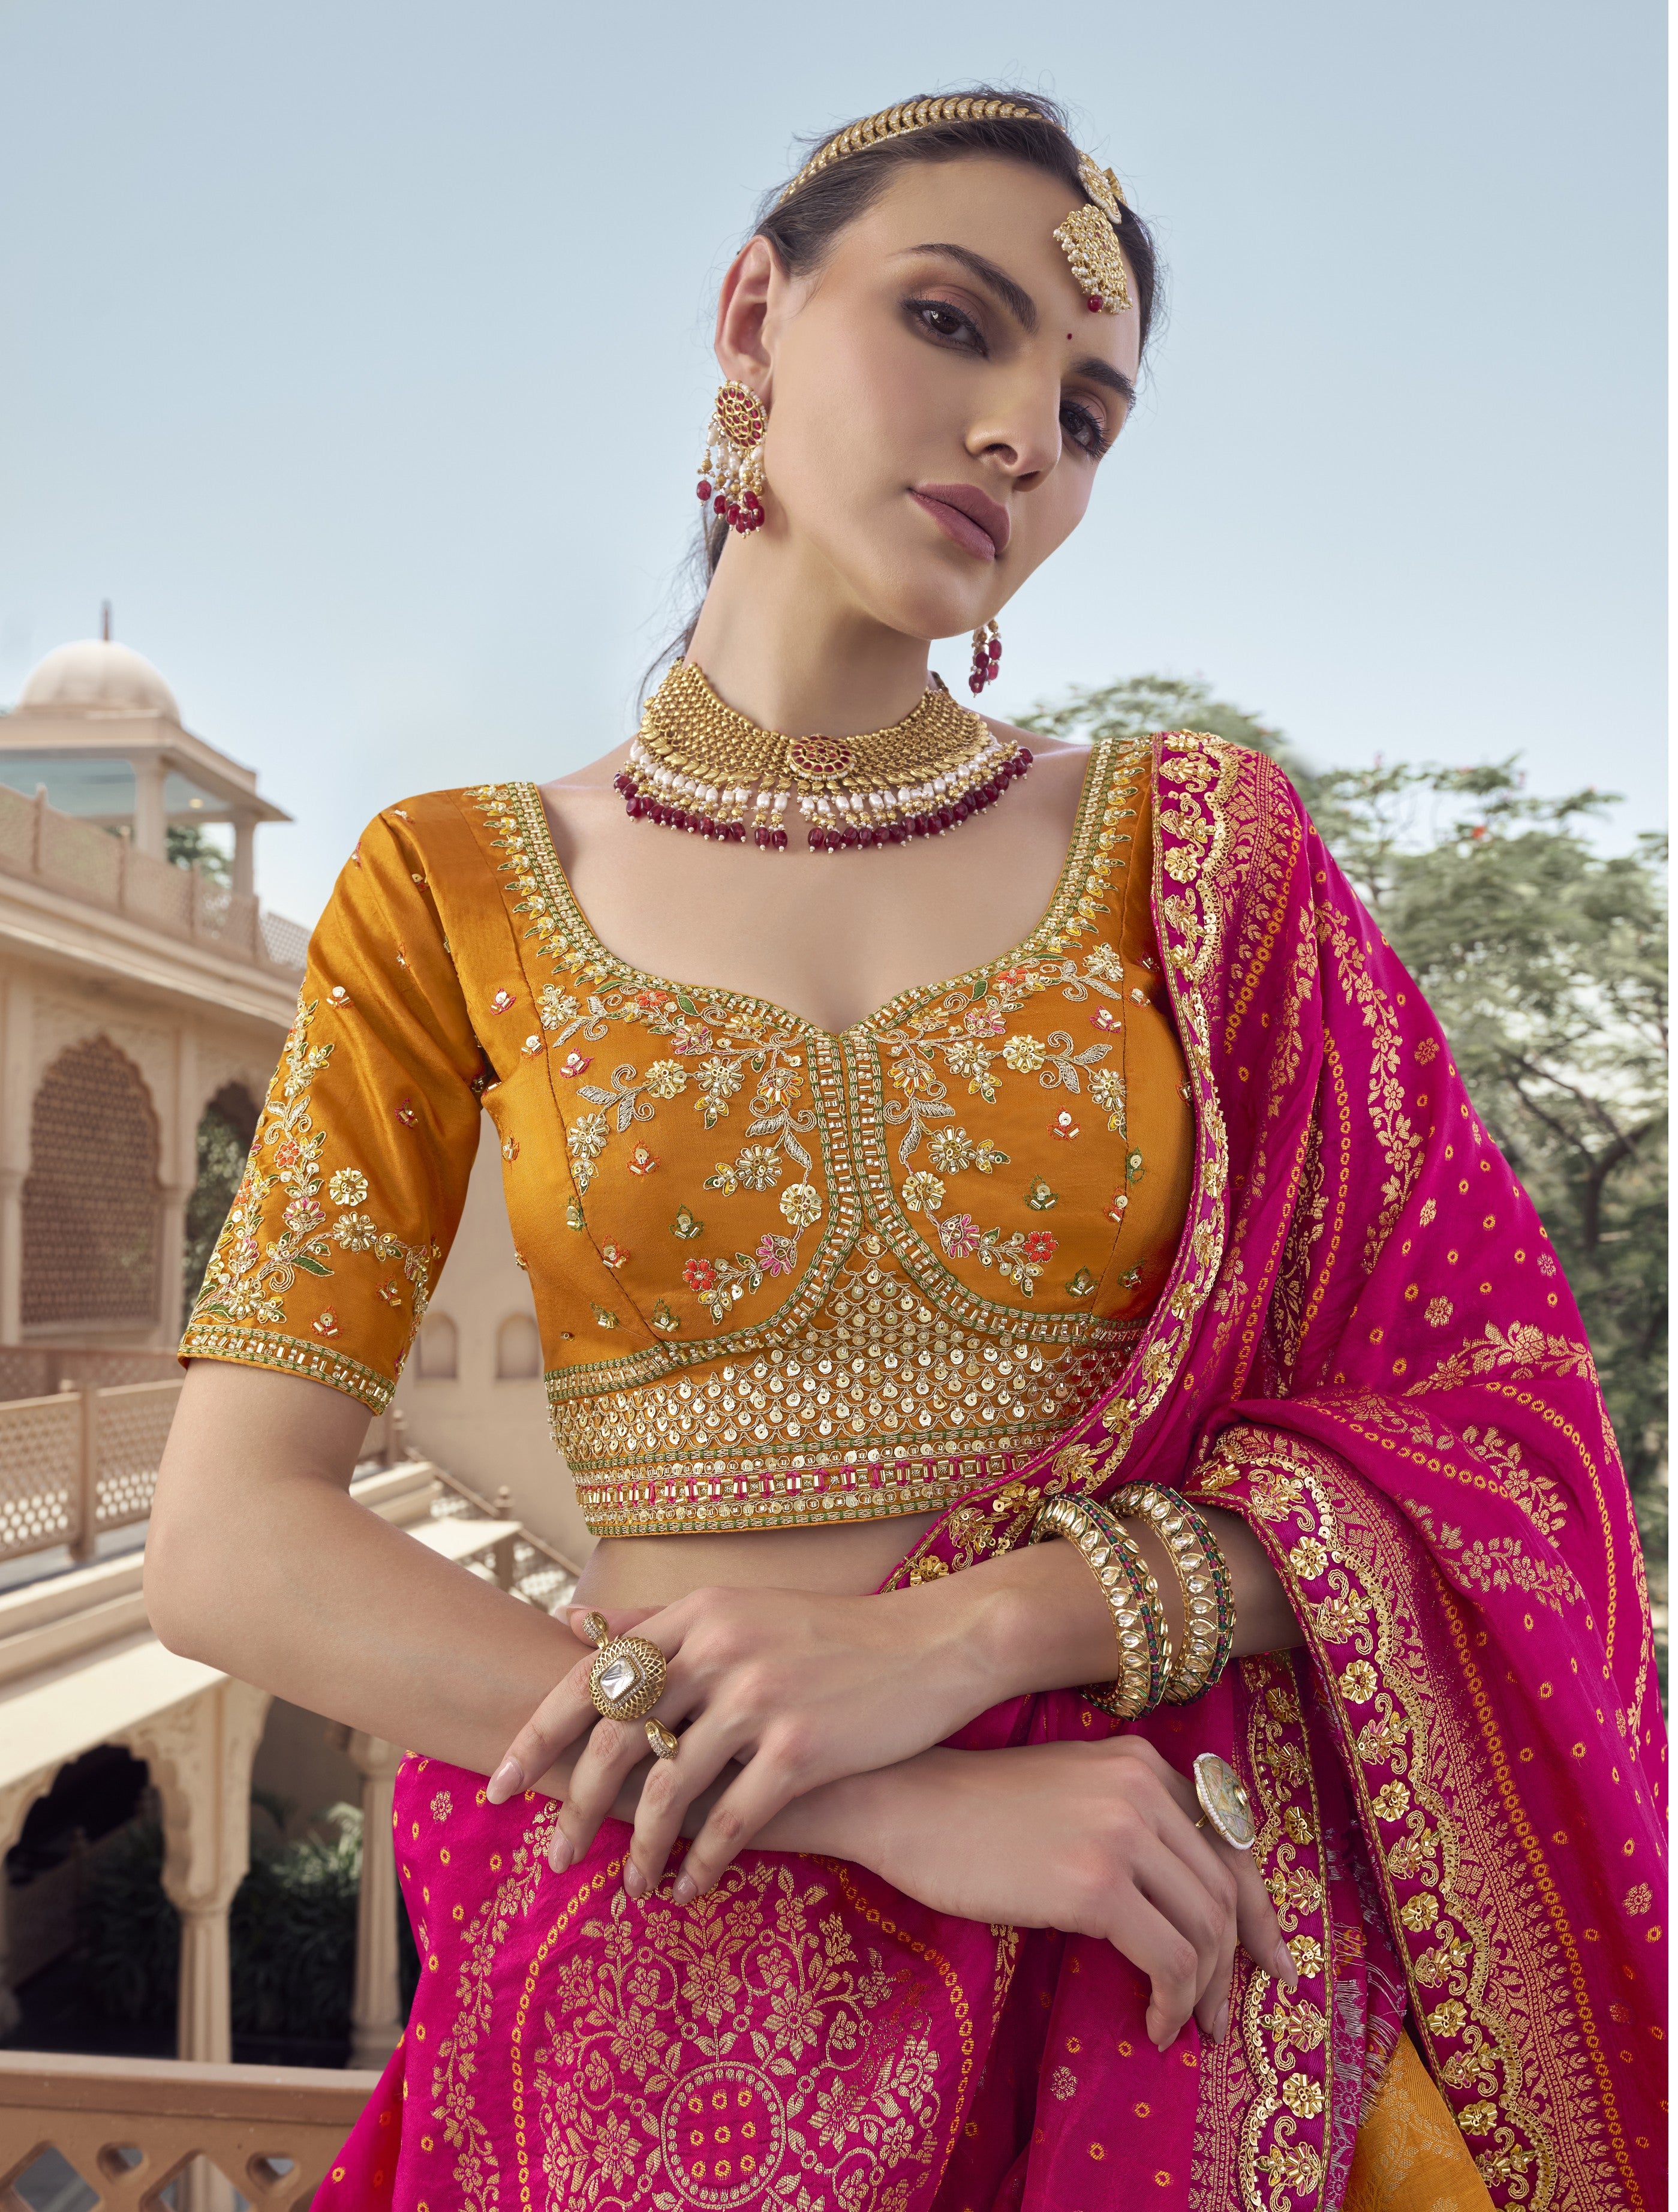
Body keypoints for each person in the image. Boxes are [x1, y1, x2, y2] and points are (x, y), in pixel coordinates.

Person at [146, 89, 1664, 2212]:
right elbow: (229, 1540)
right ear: (750, 313)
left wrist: (977, 1642)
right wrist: (875, 1800)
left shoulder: (1204, 863)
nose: (1023, 434)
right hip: (664, 1982)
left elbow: (1491, 1444)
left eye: (1090, 414)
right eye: (953, 321)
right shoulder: (452, 888)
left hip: (1148, 1933)